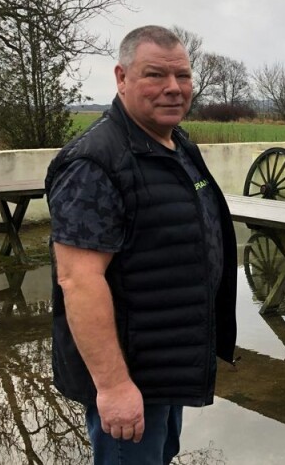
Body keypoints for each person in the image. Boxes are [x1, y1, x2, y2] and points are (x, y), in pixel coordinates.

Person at [45, 25, 237, 464]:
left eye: (183, 76)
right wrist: (112, 387)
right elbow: (79, 280)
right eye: (155, 75)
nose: (173, 89)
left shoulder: (176, 145)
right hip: (130, 375)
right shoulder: (96, 162)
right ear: (121, 78)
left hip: (166, 363)